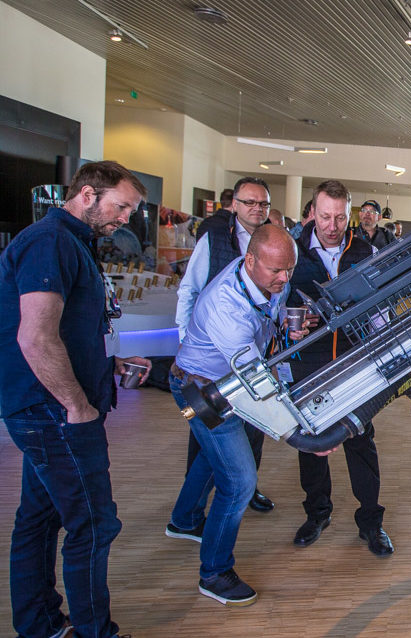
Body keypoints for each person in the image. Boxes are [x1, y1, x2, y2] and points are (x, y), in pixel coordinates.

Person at [0, 160, 152, 638]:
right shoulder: (50, 242)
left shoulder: (71, 242)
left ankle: (41, 625)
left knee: (40, 520)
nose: (127, 218)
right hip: (53, 414)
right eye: (122, 206)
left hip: (50, 408)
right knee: (94, 525)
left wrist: (108, 368)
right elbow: (37, 338)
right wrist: (78, 406)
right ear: (87, 195)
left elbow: (67, 333)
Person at [166, 224, 308, 606]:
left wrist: (285, 333)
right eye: (276, 271)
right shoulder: (226, 304)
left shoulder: (266, 283)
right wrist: (298, 432)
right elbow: (255, 379)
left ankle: (183, 520)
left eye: (289, 270)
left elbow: (267, 333)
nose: (284, 279)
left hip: (222, 383)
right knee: (240, 481)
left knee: (216, 462)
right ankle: (214, 573)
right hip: (200, 389)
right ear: (250, 260)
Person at [288, 180, 395, 556]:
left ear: (348, 214)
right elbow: (276, 305)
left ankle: (371, 523)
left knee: (361, 442)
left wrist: (384, 350)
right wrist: (291, 328)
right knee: (311, 443)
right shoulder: (292, 250)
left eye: (339, 216)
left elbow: (380, 305)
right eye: (324, 216)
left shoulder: (363, 249)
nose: (332, 225)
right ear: (312, 212)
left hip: (354, 363)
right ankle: (317, 513)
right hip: (309, 365)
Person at [175, 177, 275, 513]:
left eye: (262, 203)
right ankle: (198, 508)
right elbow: (189, 289)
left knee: (249, 433)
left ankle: (243, 490)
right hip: (208, 367)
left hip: (249, 357)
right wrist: (185, 340)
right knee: (209, 439)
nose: (256, 209)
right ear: (234, 204)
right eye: (249, 202)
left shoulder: (273, 238)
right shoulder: (215, 237)